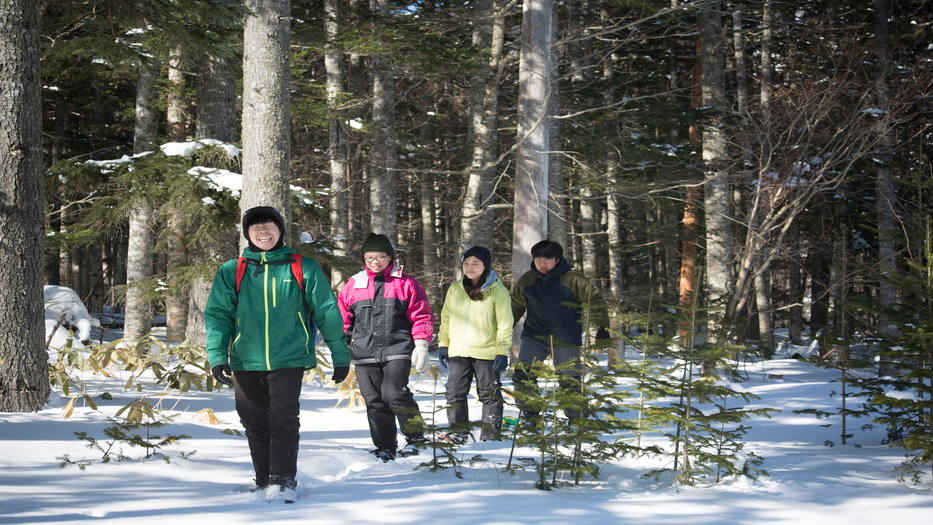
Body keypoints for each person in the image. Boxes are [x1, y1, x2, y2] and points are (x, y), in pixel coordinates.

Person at [204, 206, 350, 502]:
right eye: (256, 227)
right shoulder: (233, 270)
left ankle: (283, 482)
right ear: (247, 234)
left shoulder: (302, 266)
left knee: (283, 419)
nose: (263, 232)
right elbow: (218, 315)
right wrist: (217, 355)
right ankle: (263, 481)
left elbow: (326, 311)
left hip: (289, 356)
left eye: (269, 225)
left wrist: (340, 353)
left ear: (280, 230)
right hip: (246, 358)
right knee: (254, 422)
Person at [337, 233, 434, 462]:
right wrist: (339, 348)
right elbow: (342, 321)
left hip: (397, 348)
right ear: (363, 258)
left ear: (390, 257)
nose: (375, 261)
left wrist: (421, 343)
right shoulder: (353, 285)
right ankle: (385, 446)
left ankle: (417, 438)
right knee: (374, 402)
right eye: (370, 257)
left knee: (393, 393)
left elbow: (421, 315)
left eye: (381, 256)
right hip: (364, 353)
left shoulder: (406, 283)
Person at [510, 240, 610, 422]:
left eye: (546, 259)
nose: (541, 263)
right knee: (523, 376)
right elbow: (516, 306)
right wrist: (504, 327)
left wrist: (602, 327)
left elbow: (595, 301)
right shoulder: (527, 279)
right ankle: (531, 415)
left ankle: (577, 419)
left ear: (557, 259)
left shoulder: (574, 279)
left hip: (566, 340)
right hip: (533, 337)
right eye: (538, 259)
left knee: (570, 381)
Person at [437, 246, 513, 444]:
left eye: (475, 263)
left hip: (487, 352)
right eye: (466, 263)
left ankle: (490, 437)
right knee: (454, 393)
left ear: (485, 266)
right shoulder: (455, 289)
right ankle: (458, 433)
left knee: (489, 394)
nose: (469, 267)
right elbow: (446, 318)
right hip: (458, 351)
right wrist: (443, 344)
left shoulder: (497, 290)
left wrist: (502, 351)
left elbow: (505, 323)